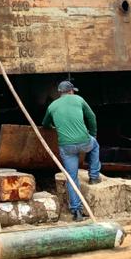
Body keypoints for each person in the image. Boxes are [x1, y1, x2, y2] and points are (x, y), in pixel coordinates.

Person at [42, 80, 100, 221]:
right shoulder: (79, 99)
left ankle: (77, 212)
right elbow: (92, 117)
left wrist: (52, 127)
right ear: (71, 91)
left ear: (60, 93)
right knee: (95, 145)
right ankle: (93, 176)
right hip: (84, 141)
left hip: (66, 146)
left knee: (72, 178)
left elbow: (45, 124)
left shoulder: (52, 106)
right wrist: (92, 134)